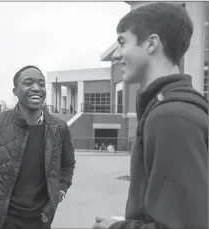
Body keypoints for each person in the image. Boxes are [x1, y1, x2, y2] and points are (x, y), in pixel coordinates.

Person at [94, 3, 208, 229]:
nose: (117, 55)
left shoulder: (171, 117)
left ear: (151, 43)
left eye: (122, 42)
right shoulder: (171, 109)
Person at [0, 65, 76, 229]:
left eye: (41, 84)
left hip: (42, 219)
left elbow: (67, 165)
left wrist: (59, 193)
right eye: (28, 83)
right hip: (4, 222)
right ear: (15, 91)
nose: (36, 88)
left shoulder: (59, 128)